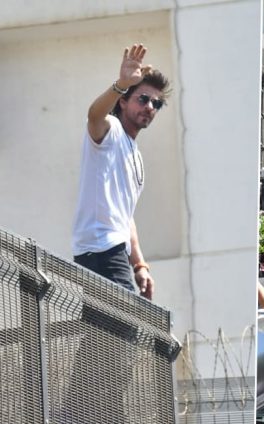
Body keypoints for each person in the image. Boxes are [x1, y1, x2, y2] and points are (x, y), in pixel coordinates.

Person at [72, 43, 170, 300]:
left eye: (156, 104)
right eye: (143, 99)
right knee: (126, 331)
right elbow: (94, 115)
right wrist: (121, 84)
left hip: (112, 251)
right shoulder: (111, 130)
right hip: (101, 249)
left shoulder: (133, 152)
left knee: (105, 336)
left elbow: (127, 217)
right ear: (124, 101)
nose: (150, 106)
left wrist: (140, 265)